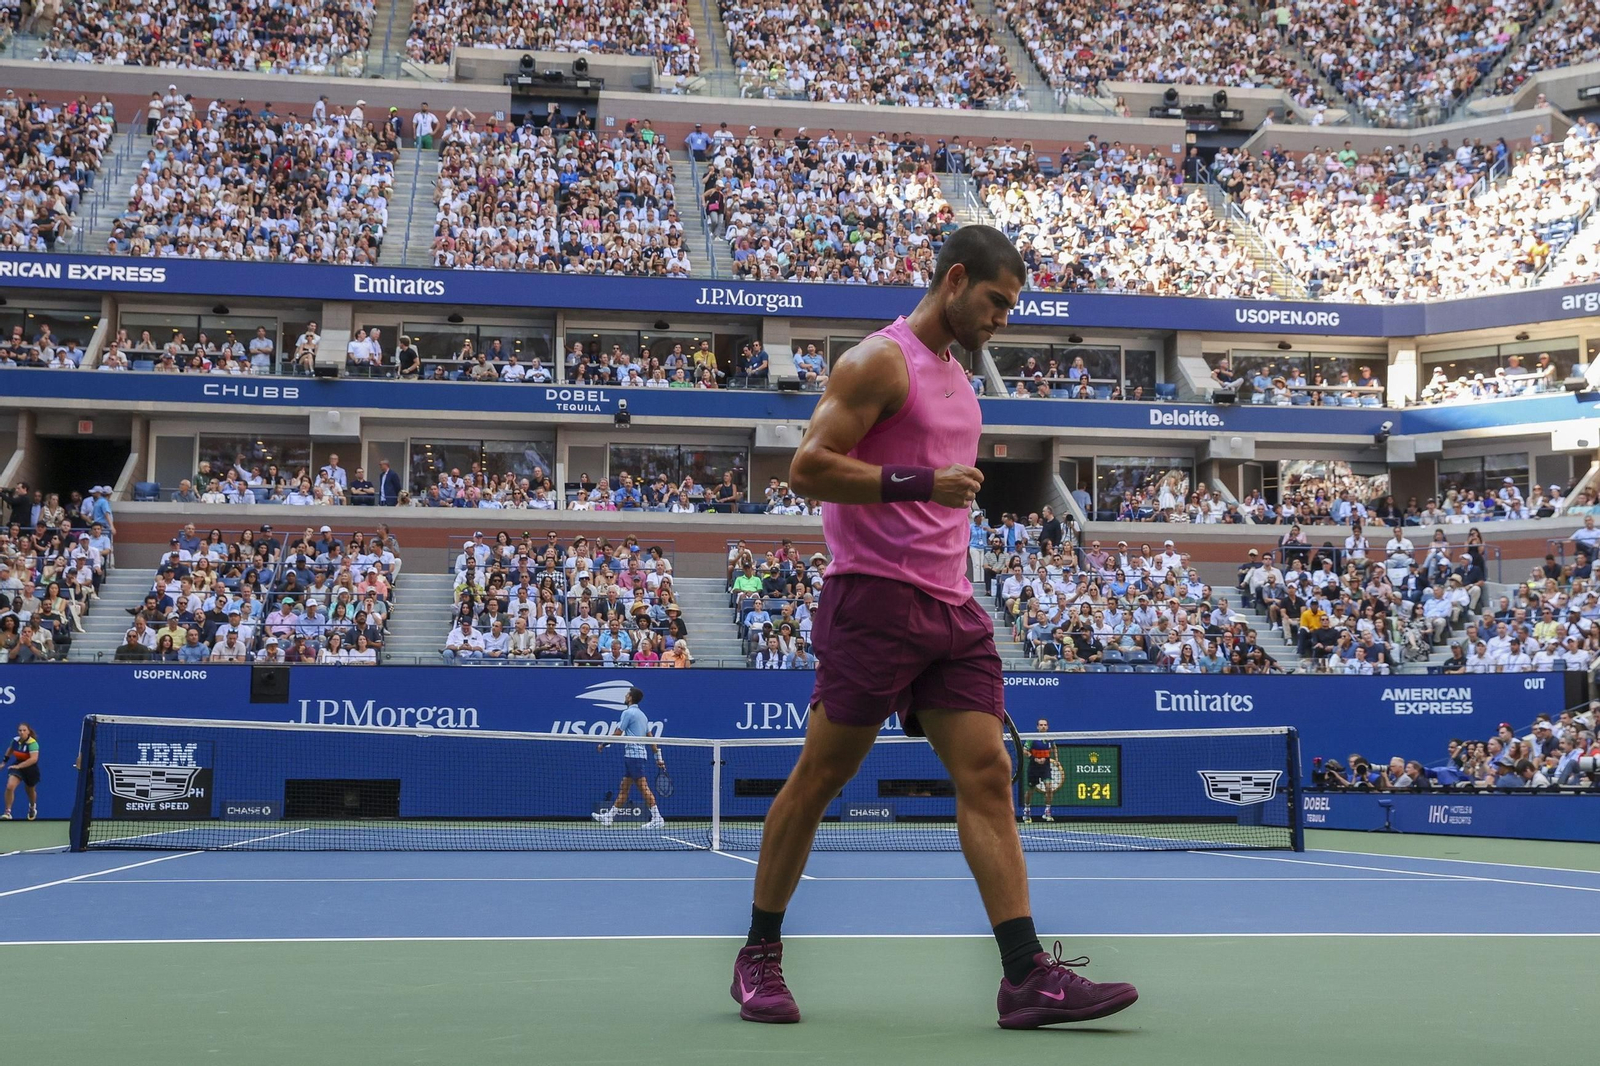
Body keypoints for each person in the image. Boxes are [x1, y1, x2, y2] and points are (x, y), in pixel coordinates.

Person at [731, 225, 1137, 1028]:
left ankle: (1025, 975)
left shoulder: (961, 376)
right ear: (954, 280)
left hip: (953, 607)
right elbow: (807, 467)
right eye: (996, 301)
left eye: (1011, 307)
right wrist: (920, 481)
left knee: (988, 772)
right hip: (873, 602)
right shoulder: (879, 362)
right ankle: (759, 955)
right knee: (822, 777)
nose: (1003, 319)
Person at [591, 686, 665, 829]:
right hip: (637, 757)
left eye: (627, 694)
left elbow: (618, 733)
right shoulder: (643, 716)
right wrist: (658, 758)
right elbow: (651, 739)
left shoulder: (627, 713)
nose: (625, 696)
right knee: (624, 788)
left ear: (630, 698)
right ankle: (609, 817)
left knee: (643, 788)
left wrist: (603, 744)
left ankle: (657, 817)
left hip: (634, 757)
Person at [1021, 718, 1061, 823]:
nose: (1043, 726)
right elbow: (1024, 750)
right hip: (1033, 767)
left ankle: (1047, 812)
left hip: (1045, 767)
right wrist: (1035, 759)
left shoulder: (1050, 738)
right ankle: (1027, 810)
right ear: (1037, 727)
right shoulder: (1032, 738)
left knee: (1049, 788)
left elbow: (1054, 747)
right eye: (1041, 725)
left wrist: (1057, 760)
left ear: (1047, 727)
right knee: (1031, 790)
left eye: (1045, 725)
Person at [3, 722, 39, 820]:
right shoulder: (15, 741)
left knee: (30, 791)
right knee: (10, 786)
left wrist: (19, 766)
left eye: (24, 730)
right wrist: (3, 762)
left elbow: (33, 759)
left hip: (30, 768)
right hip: (17, 765)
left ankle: (32, 807)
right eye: (20, 730)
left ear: (28, 732)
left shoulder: (32, 743)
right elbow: (10, 750)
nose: (22, 732)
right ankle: (7, 812)